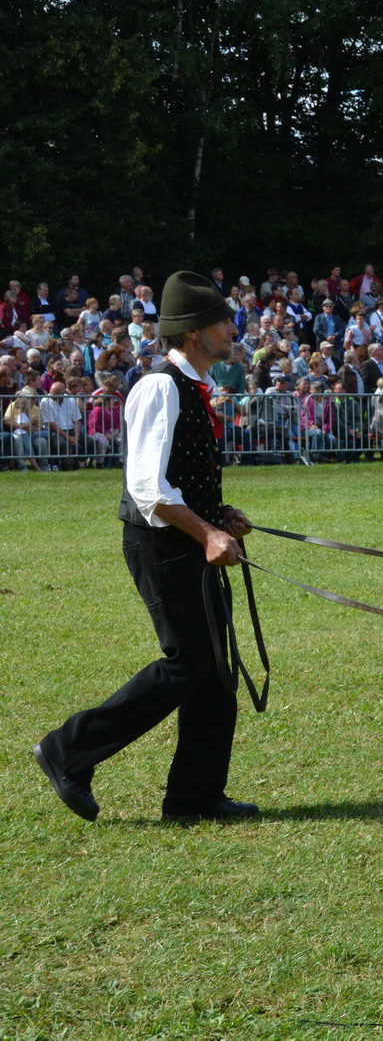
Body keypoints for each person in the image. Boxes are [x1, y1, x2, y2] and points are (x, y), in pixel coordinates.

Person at [33, 271, 261, 824]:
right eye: (220, 322)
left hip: (185, 537)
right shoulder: (160, 386)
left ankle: (195, 797)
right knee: (188, 662)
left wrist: (218, 516)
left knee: (212, 672)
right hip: (162, 545)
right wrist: (207, 533)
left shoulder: (190, 385)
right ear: (192, 332)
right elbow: (146, 487)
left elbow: (174, 479)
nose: (231, 329)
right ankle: (67, 749)